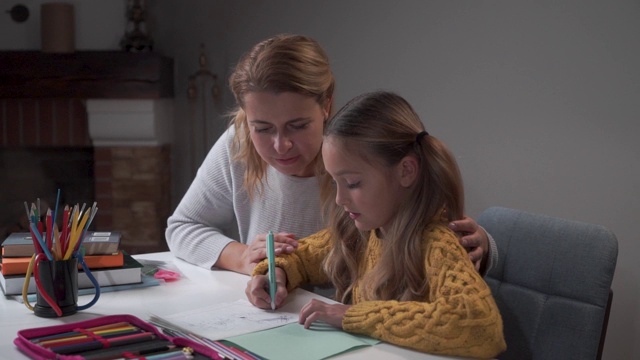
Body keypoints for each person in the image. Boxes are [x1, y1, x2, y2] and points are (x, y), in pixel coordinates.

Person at [166, 34, 496, 276]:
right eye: (262, 128)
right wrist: (242, 257)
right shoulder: (237, 144)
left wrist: (485, 246)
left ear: (325, 105)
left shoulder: (358, 152)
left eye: (297, 125)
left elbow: (433, 235)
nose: (281, 145)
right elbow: (182, 226)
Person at [246, 91, 506, 358]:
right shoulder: (364, 230)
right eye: (335, 183)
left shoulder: (436, 241)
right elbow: (304, 255)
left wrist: (352, 315)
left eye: (353, 183)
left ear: (406, 171)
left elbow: (478, 324)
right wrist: (276, 274)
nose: (339, 198)